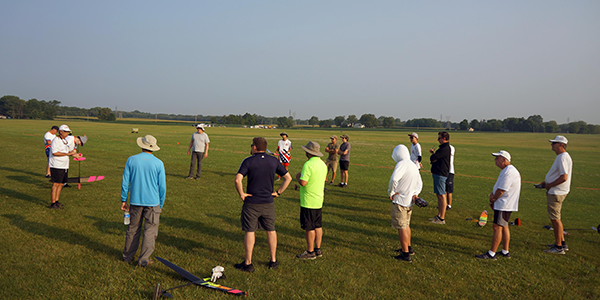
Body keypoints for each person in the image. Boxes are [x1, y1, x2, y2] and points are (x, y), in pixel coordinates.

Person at [234, 137, 292, 272]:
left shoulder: (248, 161)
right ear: (265, 148)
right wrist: (278, 192)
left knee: (250, 231)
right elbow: (288, 178)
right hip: (268, 202)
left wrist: (242, 194)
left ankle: (248, 263)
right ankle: (273, 260)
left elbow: (238, 180)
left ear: (254, 147)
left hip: (252, 203)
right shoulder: (273, 161)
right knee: (271, 230)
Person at [121, 135, 167, 267]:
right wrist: (161, 203)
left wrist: (124, 199)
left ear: (142, 145)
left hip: (135, 201)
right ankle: (144, 260)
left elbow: (125, 182)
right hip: (153, 203)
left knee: (133, 229)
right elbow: (162, 187)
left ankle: (127, 256)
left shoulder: (131, 160)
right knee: (150, 231)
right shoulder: (158, 163)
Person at [476, 150, 521, 260]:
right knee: (504, 226)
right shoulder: (507, 170)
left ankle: (492, 253)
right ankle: (505, 251)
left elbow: (501, 190)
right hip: (503, 203)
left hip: (504, 204)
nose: (495, 160)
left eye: (497, 158)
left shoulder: (509, 171)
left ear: (504, 160)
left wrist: (494, 199)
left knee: (497, 227)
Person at [388, 144, 422, 262]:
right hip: (409, 202)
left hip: (400, 201)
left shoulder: (401, 164)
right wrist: (415, 194)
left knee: (401, 227)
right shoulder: (413, 165)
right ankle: (408, 247)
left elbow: (394, 179)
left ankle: (405, 254)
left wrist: (391, 192)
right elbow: (419, 183)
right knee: (406, 225)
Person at [540, 135, 573, 254]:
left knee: (555, 219)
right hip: (557, 190)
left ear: (561, 145)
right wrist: (547, 182)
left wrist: (550, 185)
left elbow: (564, 177)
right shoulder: (562, 156)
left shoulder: (562, 157)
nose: (551, 145)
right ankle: (562, 243)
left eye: (554, 143)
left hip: (556, 192)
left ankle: (558, 247)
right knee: (556, 218)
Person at [295, 141, 327, 259]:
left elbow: (303, 182)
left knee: (309, 227)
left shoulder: (308, 164)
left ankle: (310, 252)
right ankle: (318, 249)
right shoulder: (323, 164)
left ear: (308, 153)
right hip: (319, 199)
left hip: (308, 201)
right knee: (318, 225)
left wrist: (298, 177)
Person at [48, 124, 81, 209]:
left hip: (64, 165)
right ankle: (52, 203)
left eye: (68, 132)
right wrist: (68, 154)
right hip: (56, 165)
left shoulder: (65, 141)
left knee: (61, 183)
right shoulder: (56, 140)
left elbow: (69, 152)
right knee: (56, 184)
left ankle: (57, 201)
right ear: (61, 132)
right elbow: (55, 153)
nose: (67, 133)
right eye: (66, 132)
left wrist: (76, 155)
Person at [428, 131, 451, 224]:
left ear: (444, 139)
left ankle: (442, 218)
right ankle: (439, 215)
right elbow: (435, 158)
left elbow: (433, 158)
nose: (438, 140)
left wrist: (433, 156)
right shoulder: (442, 148)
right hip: (438, 173)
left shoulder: (445, 148)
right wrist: (434, 156)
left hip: (441, 174)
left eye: (439, 138)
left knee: (441, 195)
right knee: (439, 195)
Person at [446, 144, 455, 210]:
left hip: (450, 171)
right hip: (444, 171)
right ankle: (444, 204)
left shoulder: (451, 148)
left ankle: (449, 205)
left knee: (449, 189)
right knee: (443, 189)